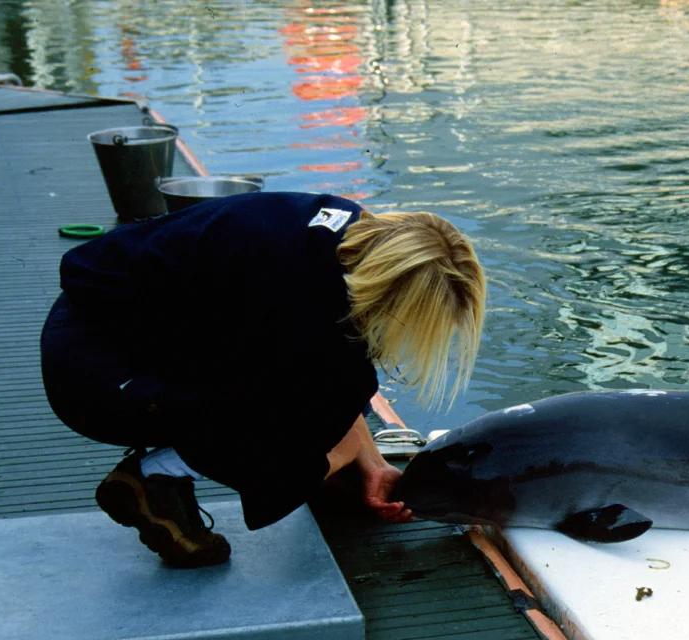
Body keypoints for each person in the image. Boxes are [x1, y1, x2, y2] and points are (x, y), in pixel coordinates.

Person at [40, 191, 485, 568]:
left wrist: (370, 463)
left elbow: (339, 363)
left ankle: (179, 461)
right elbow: (306, 410)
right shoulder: (298, 309)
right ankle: (154, 474)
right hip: (96, 377)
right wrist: (338, 455)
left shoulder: (341, 231)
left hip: (102, 323)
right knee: (304, 432)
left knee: (323, 398)